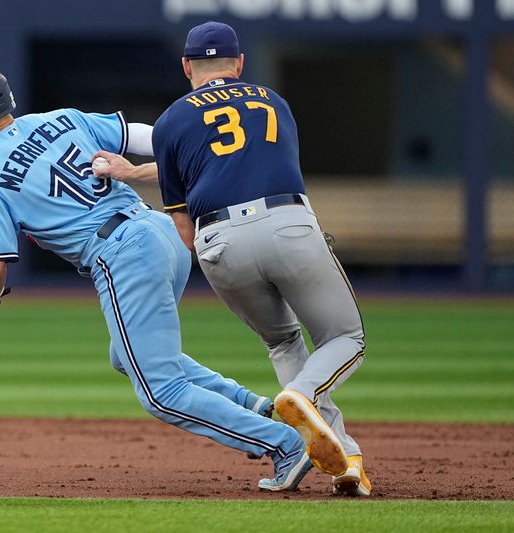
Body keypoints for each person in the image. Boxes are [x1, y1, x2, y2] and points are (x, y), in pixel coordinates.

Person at [0, 64, 347, 492]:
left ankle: (285, 447)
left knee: (160, 392)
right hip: (163, 234)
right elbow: (150, 136)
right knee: (125, 354)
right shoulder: (60, 118)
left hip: (121, 253)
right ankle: (249, 405)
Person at [92, 21, 369, 496]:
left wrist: (135, 175)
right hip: (286, 221)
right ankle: (303, 395)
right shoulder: (271, 100)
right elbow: (240, 156)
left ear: (186, 67)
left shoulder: (172, 121)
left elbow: (187, 209)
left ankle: (342, 456)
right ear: (239, 63)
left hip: (217, 239)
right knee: (345, 336)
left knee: (283, 343)